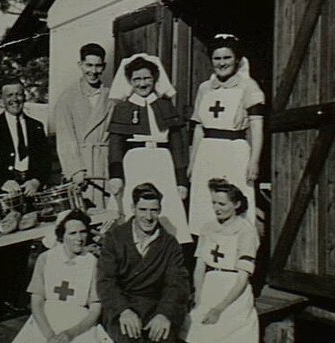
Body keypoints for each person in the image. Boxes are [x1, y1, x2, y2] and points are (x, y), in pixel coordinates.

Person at [0, 77, 50, 324]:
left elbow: (45, 163)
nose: (15, 99)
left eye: (19, 94)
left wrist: (36, 181)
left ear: (24, 95)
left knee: (20, 251)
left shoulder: (37, 126)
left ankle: (15, 302)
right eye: (9, 95)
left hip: (26, 196)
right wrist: (2, 181)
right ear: (2, 99)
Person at [107, 53, 192, 245]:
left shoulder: (165, 105)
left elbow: (178, 146)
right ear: (130, 81)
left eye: (147, 78)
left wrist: (181, 181)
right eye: (137, 79)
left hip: (163, 163)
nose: (142, 83)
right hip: (134, 164)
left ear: (155, 79)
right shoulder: (123, 108)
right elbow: (115, 145)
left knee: (167, 211)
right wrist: (116, 175)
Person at [187, 34, 266, 236]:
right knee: (205, 204)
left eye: (227, 58)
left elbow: (257, 126)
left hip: (234, 152)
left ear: (237, 59)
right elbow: (198, 128)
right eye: (217, 58)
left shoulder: (248, 87)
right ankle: (207, 257)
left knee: (233, 202)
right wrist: (192, 161)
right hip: (207, 153)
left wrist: (254, 161)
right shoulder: (205, 88)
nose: (222, 63)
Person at [97, 183, 190, 343]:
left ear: (160, 210)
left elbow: (177, 284)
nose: (148, 217)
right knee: (128, 338)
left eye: (153, 210)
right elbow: (106, 282)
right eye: (143, 210)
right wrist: (123, 310)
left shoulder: (169, 243)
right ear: (133, 208)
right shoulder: (115, 237)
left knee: (164, 339)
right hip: (123, 306)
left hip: (156, 307)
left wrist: (164, 314)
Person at [181, 178, 260, 343]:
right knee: (198, 331)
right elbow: (200, 265)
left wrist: (219, 308)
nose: (216, 208)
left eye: (222, 204)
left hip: (233, 291)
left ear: (236, 205)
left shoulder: (246, 231)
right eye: (214, 203)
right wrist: (199, 296)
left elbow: (242, 277)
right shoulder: (208, 228)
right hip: (210, 286)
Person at [13, 209, 109, 343]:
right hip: (46, 319)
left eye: (83, 232)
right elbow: (37, 301)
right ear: (61, 235)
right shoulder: (45, 259)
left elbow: (95, 308)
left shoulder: (92, 262)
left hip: (79, 322)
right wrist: (49, 336)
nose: (79, 238)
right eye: (72, 233)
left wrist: (70, 334)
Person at [55, 43, 113, 209]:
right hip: (82, 167)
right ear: (80, 65)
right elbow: (65, 138)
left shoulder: (112, 97)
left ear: (104, 67)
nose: (93, 71)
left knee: (110, 215)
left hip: (105, 165)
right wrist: (75, 170)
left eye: (98, 66)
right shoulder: (67, 98)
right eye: (88, 65)